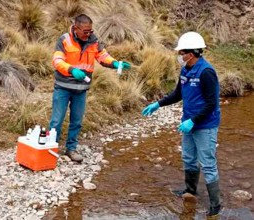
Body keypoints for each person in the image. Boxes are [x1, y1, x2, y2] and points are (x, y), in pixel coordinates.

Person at [142, 32, 222, 218]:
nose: (179, 55)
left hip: (205, 125)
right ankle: (190, 190)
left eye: (182, 52)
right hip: (188, 122)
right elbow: (178, 94)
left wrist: (193, 121)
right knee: (188, 158)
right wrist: (158, 104)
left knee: (208, 164)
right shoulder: (185, 70)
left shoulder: (206, 72)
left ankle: (215, 205)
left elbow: (211, 103)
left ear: (192, 53)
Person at [50, 14, 131, 162]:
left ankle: (71, 149)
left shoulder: (94, 41)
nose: (89, 34)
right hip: (63, 87)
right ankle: (50, 150)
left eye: (90, 31)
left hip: (81, 89)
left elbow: (103, 56)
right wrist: (71, 70)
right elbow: (57, 60)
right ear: (76, 28)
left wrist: (115, 63)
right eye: (85, 31)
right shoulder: (64, 40)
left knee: (77, 121)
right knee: (57, 121)